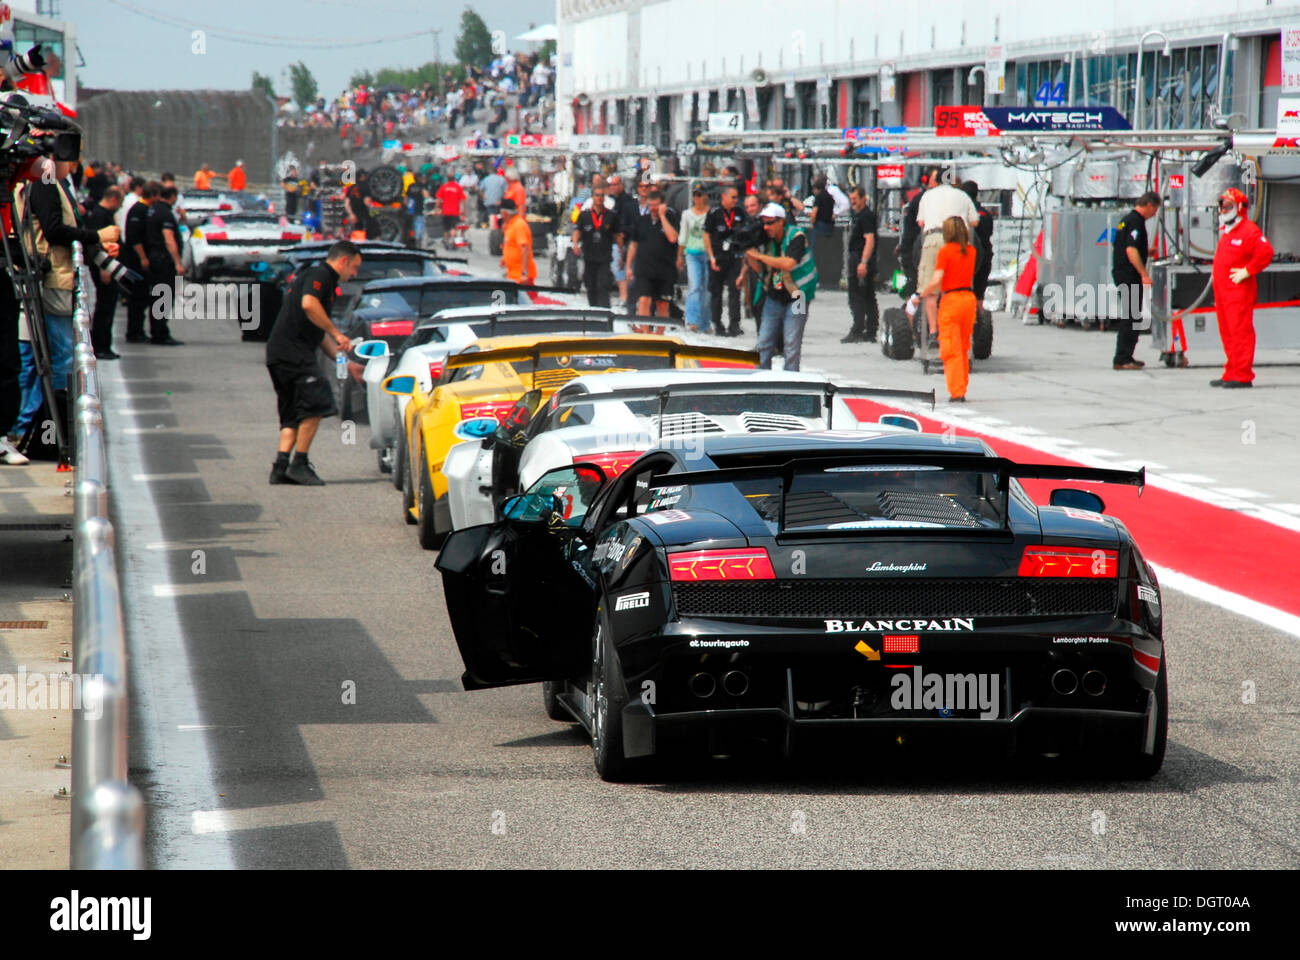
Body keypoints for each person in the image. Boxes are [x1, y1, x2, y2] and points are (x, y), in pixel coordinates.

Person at [265, 240, 362, 486]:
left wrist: (346, 363)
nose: (355, 274)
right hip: (293, 353)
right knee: (316, 405)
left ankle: (280, 467)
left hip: (279, 354)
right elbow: (309, 304)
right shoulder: (321, 275)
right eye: (354, 267)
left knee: (291, 414)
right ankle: (299, 463)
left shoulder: (322, 281)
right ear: (343, 261)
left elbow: (318, 336)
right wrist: (338, 333)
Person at [1210, 187, 1274, 388]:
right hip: (1224, 293)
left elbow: (1266, 252)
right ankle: (1232, 370)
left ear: (1239, 208)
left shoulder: (1248, 231)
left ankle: (1242, 374)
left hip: (1238, 293)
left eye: (1227, 206)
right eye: (1221, 206)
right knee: (1227, 332)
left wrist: (1248, 270)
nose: (1223, 210)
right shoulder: (1228, 232)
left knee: (1240, 332)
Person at [745, 201, 817, 371]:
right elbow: (758, 269)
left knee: (791, 343)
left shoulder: (796, 236)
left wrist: (760, 256)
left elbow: (788, 263)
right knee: (763, 342)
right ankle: (762, 380)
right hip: (775, 295)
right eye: (764, 223)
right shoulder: (765, 239)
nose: (766, 227)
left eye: (770, 223)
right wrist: (749, 252)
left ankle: (791, 382)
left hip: (799, 295)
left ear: (781, 221)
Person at [916, 171, 978, 347]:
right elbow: (974, 222)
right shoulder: (963, 195)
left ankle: (933, 333)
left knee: (930, 290)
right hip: (958, 240)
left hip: (933, 238)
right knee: (950, 288)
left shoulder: (927, 195)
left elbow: (920, 222)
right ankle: (949, 329)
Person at [920, 216, 978, 402]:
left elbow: (937, 280)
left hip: (951, 301)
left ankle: (957, 391)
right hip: (968, 300)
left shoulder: (945, 252)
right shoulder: (971, 251)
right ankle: (962, 386)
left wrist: (921, 294)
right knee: (963, 346)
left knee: (950, 348)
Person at [1111, 191, 1160, 370]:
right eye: (1154, 211)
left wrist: (1146, 252)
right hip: (1128, 275)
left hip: (1121, 272)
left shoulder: (1126, 220)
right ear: (1149, 205)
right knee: (1131, 317)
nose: (1154, 215)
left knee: (1132, 315)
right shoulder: (1136, 222)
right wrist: (1144, 274)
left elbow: (1125, 246)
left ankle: (1126, 356)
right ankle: (1122, 358)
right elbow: (1131, 251)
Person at [626, 188, 680, 318]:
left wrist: (662, 216)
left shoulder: (671, 218)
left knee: (663, 303)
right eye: (650, 205)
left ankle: (659, 334)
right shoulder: (641, 221)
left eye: (656, 205)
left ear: (662, 205)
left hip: (665, 270)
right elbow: (633, 245)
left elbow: (673, 238)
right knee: (644, 300)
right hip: (644, 269)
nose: (653, 208)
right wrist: (628, 266)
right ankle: (645, 332)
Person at [85, 186, 124, 359]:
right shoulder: (100, 215)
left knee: (108, 305)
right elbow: (97, 244)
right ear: (113, 199)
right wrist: (104, 270)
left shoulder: (102, 213)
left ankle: (103, 345)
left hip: (108, 265)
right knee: (105, 306)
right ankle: (100, 346)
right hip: (104, 267)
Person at [703, 185, 747, 337]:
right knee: (716, 292)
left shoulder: (740, 212)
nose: (735, 200)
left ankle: (734, 324)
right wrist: (711, 256)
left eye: (736, 197)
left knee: (735, 291)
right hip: (718, 257)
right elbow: (706, 235)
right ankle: (717, 323)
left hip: (734, 257)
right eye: (733, 197)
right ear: (724, 197)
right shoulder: (714, 213)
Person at [145, 185, 185, 345]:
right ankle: (160, 333)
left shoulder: (153, 210)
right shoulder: (166, 213)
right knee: (164, 297)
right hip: (163, 262)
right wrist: (178, 263)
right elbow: (169, 239)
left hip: (154, 258)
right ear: (173, 197)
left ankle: (157, 331)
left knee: (157, 296)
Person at [122, 181, 158, 344]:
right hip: (135, 261)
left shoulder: (147, 210)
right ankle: (134, 331)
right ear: (152, 194)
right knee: (137, 297)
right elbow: (135, 238)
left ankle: (138, 330)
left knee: (142, 297)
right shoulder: (138, 210)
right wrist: (143, 257)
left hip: (141, 261)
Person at [572, 182, 618, 307]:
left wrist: (622, 253)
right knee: (590, 286)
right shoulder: (585, 215)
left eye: (602, 196)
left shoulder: (611, 215)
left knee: (602, 285)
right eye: (597, 195)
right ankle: (593, 310)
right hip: (589, 256)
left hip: (604, 257)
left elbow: (618, 235)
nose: (599, 198)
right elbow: (577, 231)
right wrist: (575, 244)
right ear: (592, 197)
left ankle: (604, 312)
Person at [844, 185, 880, 343]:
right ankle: (869, 329)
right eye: (851, 199)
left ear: (864, 198)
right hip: (858, 257)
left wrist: (863, 262)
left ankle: (859, 328)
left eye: (855, 199)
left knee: (858, 295)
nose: (853, 202)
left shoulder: (865, 216)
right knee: (866, 294)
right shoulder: (858, 215)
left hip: (860, 257)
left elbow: (869, 240)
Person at [678, 184, 712, 332]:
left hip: (707, 252)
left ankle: (705, 322)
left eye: (700, 195)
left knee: (707, 288)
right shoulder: (686, 214)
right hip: (692, 252)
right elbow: (683, 235)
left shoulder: (711, 213)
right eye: (695, 195)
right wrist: (679, 255)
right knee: (695, 286)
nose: (697, 198)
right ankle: (692, 320)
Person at [962, 180, 995, 303]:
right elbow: (990, 232)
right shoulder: (985, 214)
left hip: (967, 256)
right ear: (976, 194)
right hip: (985, 255)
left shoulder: (963, 214)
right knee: (979, 294)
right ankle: (981, 319)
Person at [500, 198, 536, 284]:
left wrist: (524, 273)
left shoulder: (518, 225)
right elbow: (511, 244)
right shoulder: (511, 225)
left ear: (505, 213)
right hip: (513, 274)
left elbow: (525, 249)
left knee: (527, 297)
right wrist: (505, 258)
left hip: (520, 276)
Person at [807, 175, 835, 239]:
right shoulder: (830, 197)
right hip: (829, 225)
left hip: (819, 225)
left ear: (816, 189)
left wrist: (811, 223)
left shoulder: (818, 197)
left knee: (817, 246)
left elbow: (814, 213)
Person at [406, 174, 429, 248]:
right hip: (419, 208)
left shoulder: (410, 186)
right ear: (419, 178)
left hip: (410, 209)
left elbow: (406, 198)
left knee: (411, 224)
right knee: (419, 224)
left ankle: (412, 238)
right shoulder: (421, 186)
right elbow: (426, 195)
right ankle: (418, 239)